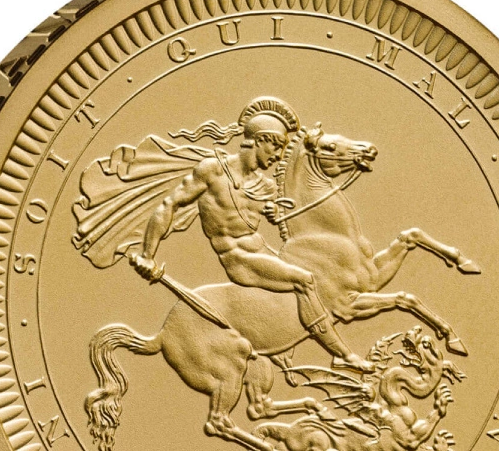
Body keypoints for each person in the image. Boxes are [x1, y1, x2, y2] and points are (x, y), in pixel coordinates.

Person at [130, 97, 371, 372]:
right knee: (304, 280)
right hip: (239, 259)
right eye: (276, 146)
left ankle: (284, 342)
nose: (278, 156)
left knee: (318, 282)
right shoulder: (213, 171)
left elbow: (266, 214)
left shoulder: (264, 185)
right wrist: (147, 254)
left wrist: (272, 212)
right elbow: (169, 205)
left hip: (261, 250)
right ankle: (341, 354)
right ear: (260, 140)